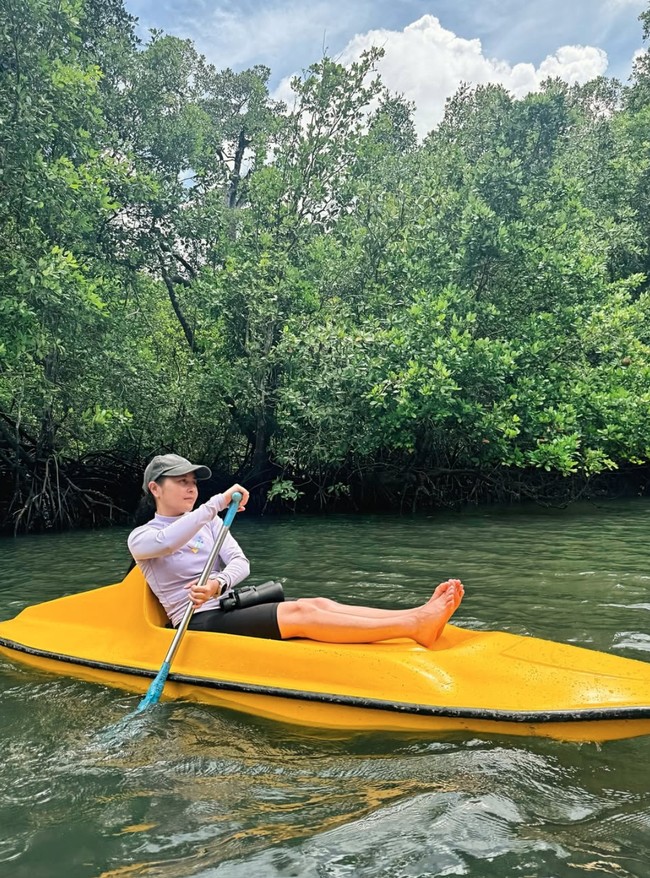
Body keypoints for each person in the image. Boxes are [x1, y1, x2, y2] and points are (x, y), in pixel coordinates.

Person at [128, 454, 465, 647]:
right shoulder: (142, 537)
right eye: (181, 481)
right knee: (300, 616)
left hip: (226, 603)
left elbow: (240, 563)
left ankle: (415, 616)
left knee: (316, 603)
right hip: (196, 622)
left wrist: (218, 584)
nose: (191, 488)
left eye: (193, 481)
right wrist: (213, 505)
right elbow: (168, 542)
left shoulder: (210, 523)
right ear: (155, 488)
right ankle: (413, 626)